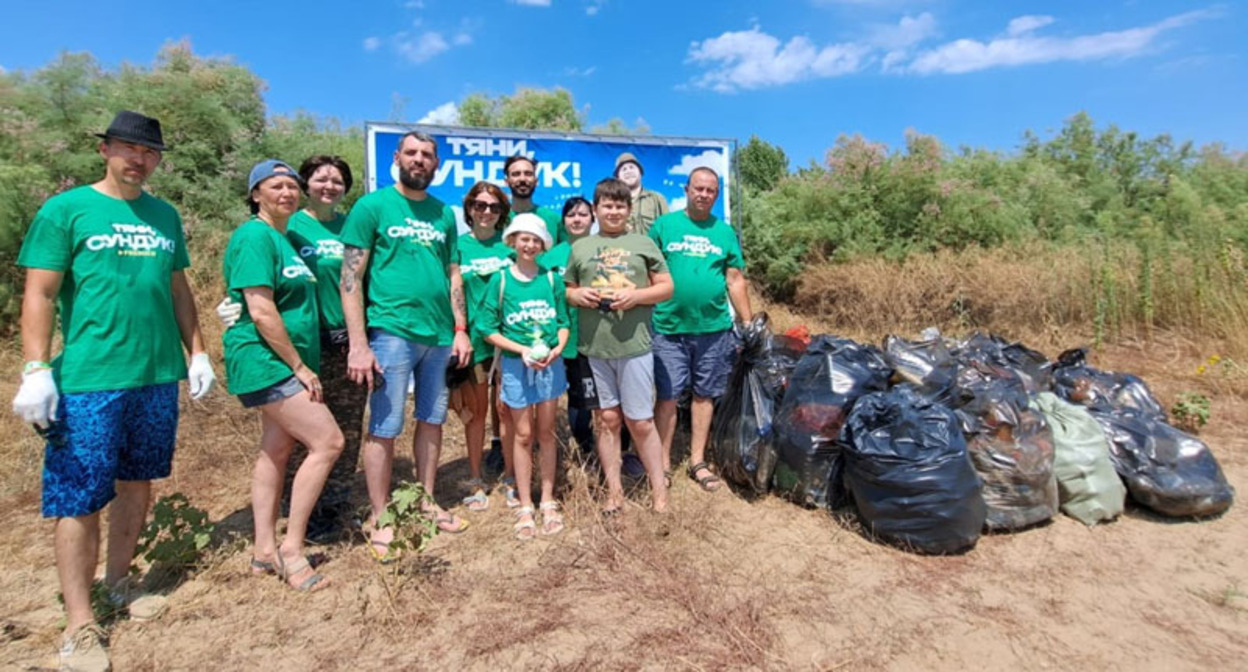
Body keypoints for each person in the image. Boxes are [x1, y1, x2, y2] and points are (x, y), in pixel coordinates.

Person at [13, 110, 216, 672]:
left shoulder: (164, 215)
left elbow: (179, 288)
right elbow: (42, 293)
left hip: (154, 376)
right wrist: (34, 367)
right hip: (88, 380)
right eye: (128, 148)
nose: (139, 159)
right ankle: (79, 624)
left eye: (149, 152)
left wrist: (197, 350)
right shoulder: (67, 209)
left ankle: (119, 584)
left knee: (137, 482)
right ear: (104, 149)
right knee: (79, 497)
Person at [216, 155, 366, 542]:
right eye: (318, 179)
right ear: (255, 193)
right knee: (320, 439)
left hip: (331, 345)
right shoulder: (277, 230)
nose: (327, 186)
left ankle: (321, 516)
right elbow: (260, 294)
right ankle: (296, 529)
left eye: (337, 180)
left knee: (301, 440)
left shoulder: (332, 231)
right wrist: (236, 305)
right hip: (284, 356)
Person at [340, 131, 473, 561]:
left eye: (428, 155)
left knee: (432, 420)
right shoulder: (372, 206)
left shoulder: (443, 215)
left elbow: (454, 273)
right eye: (412, 153)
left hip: (438, 336)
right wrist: (359, 344)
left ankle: (426, 500)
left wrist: (460, 328)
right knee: (385, 425)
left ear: (437, 164)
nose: (419, 160)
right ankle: (381, 517)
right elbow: (350, 279)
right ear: (396, 157)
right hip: (391, 332)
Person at [564, 178, 673, 514]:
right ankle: (615, 493)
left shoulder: (642, 243)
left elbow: (667, 287)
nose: (613, 211)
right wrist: (577, 295)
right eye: (607, 205)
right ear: (596, 210)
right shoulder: (580, 247)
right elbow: (568, 288)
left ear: (629, 210)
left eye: (620, 205)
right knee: (606, 420)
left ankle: (660, 494)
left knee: (640, 421)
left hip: (634, 347)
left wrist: (635, 296)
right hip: (594, 349)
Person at [649, 167, 752, 492]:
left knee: (704, 396)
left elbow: (734, 279)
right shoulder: (664, 227)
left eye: (710, 190)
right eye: (698, 188)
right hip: (668, 327)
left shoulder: (724, 233)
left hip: (714, 330)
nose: (704, 194)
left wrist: (747, 322)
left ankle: (697, 461)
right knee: (666, 397)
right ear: (687, 189)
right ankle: (662, 464)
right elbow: (649, 274)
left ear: (716, 195)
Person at [481, 214, 570, 539]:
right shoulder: (501, 280)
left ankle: (547, 499)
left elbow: (563, 321)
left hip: (549, 366)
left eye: (535, 240)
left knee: (546, 433)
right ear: (513, 241)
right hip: (518, 368)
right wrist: (520, 350)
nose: (529, 245)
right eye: (524, 238)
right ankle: (524, 503)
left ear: (543, 244)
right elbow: (487, 327)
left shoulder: (551, 280)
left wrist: (556, 349)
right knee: (521, 435)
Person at [453, 181, 513, 511]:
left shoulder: (511, 250)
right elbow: (450, 292)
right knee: (475, 414)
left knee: (506, 411)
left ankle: (510, 478)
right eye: (480, 205)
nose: (486, 212)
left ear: (502, 212)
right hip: (473, 343)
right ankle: (476, 481)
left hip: (506, 343)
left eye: (493, 207)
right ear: (470, 209)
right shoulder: (457, 248)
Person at [538, 197, 597, 455]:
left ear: (592, 218)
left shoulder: (602, 250)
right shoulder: (550, 257)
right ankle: (550, 446)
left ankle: (587, 449)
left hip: (592, 337)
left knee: (585, 397)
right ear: (563, 221)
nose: (577, 219)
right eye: (571, 214)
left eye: (583, 214)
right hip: (558, 338)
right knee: (555, 396)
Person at [503, 154, 564, 244]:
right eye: (516, 174)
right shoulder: (498, 220)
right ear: (506, 182)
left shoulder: (554, 220)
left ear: (536, 181)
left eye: (528, 174)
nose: (522, 179)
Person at [614, 152, 668, 236]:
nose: (628, 171)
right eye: (624, 169)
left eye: (631, 167)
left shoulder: (657, 199)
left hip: (651, 248)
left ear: (640, 172)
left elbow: (667, 228)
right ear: (618, 177)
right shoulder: (613, 202)